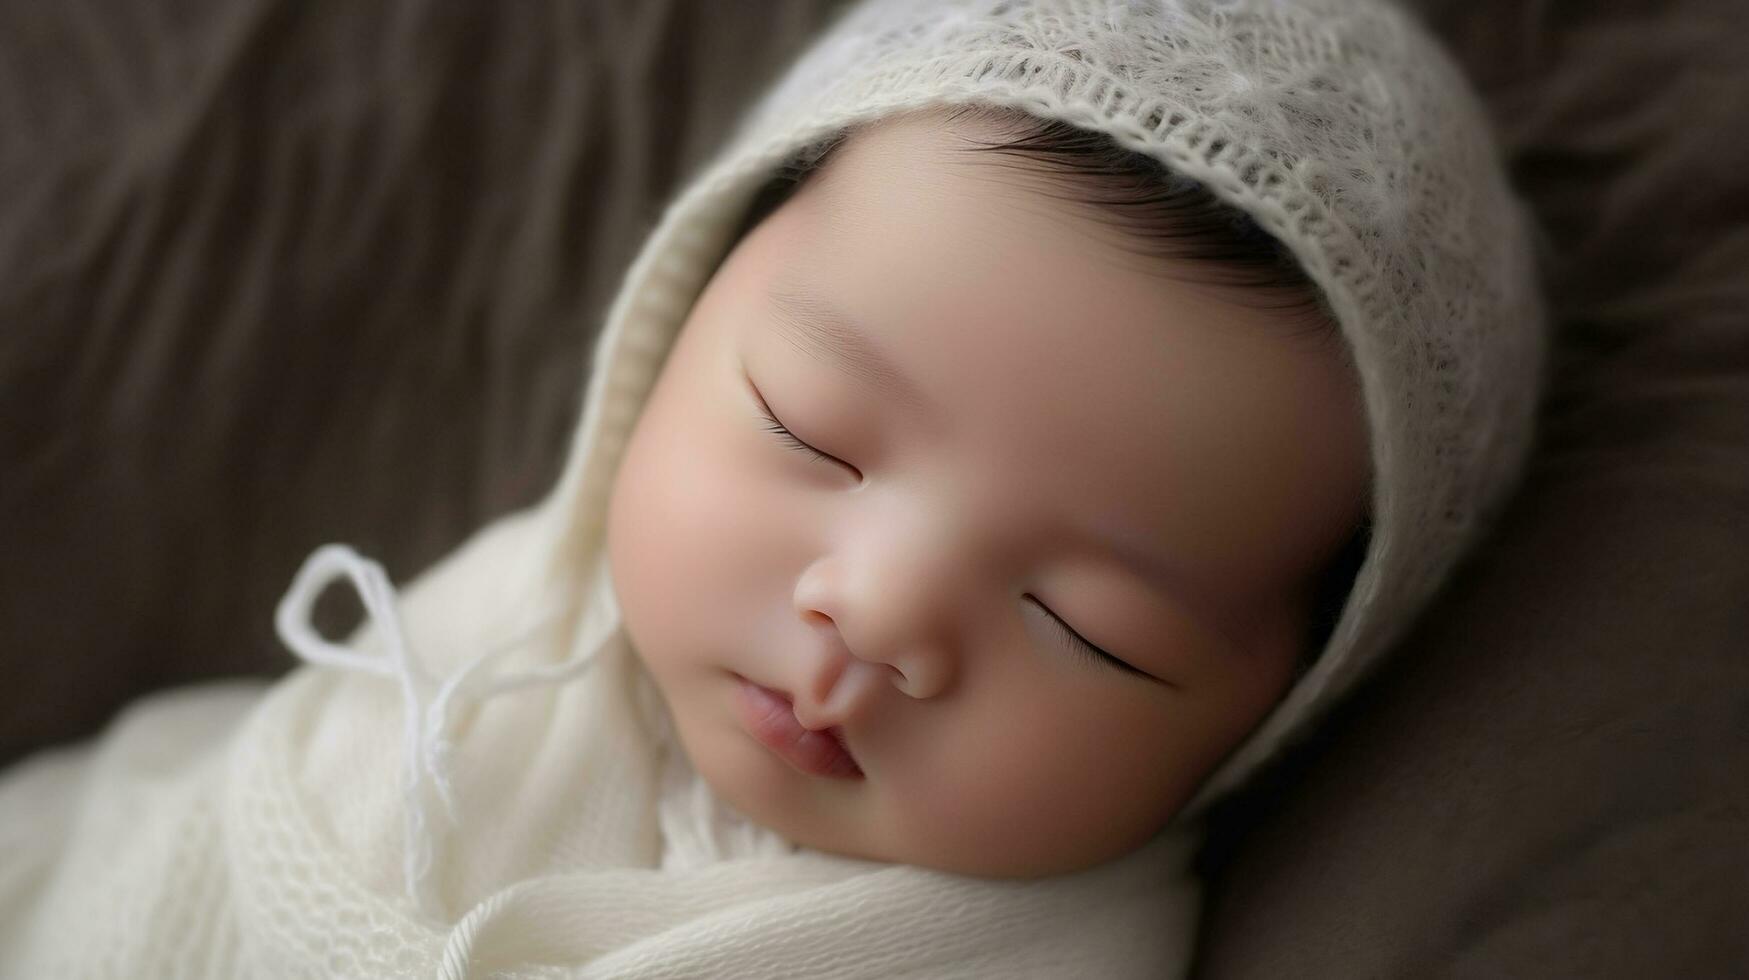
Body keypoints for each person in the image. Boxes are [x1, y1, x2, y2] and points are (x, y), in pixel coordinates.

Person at [0, 0, 1547, 976]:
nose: (869, 612)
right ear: (675, 318)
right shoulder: (483, 629)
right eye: (809, 429)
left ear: (1276, 707)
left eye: (1089, 628)